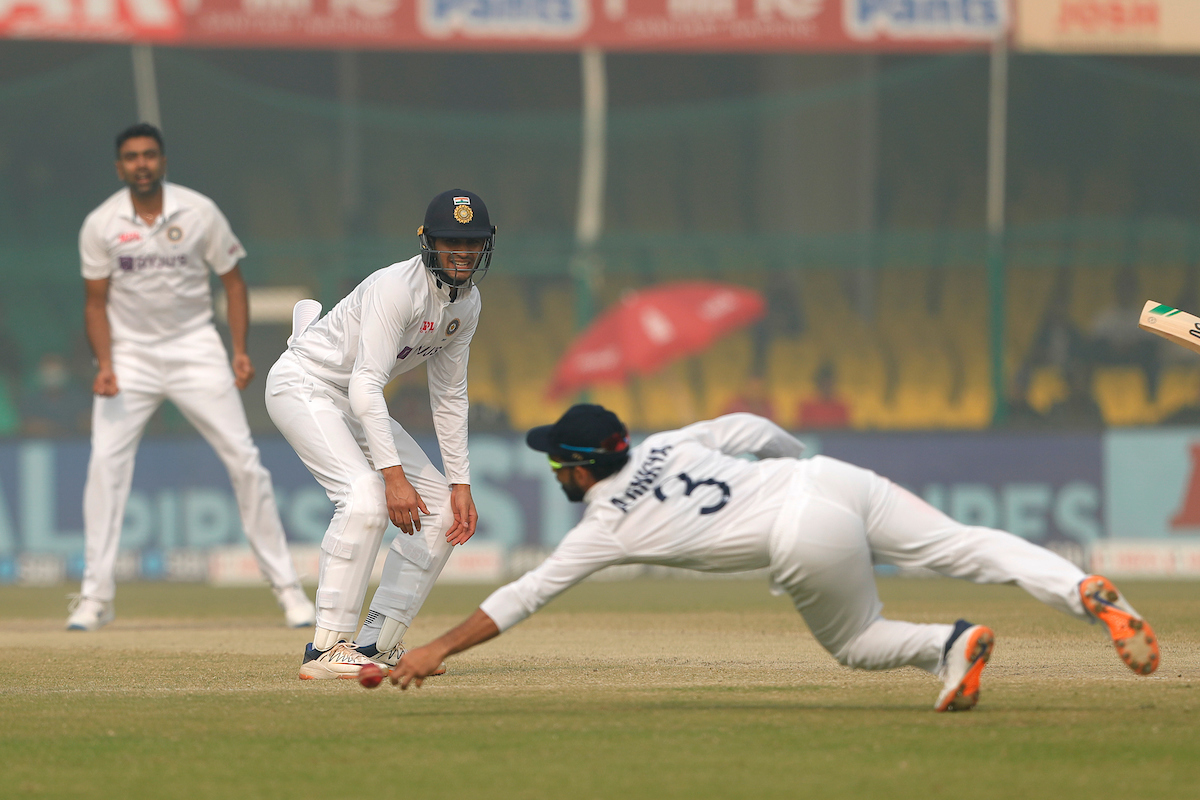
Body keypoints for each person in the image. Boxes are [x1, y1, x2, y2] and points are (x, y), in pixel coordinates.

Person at [390, 405, 1160, 711]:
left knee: (858, 644)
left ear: (585, 466)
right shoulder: (666, 442)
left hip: (799, 536)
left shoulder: (606, 525)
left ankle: (947, 645)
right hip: (828, 480)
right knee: (967, 546)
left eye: (561, 462)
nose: (556, 473)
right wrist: (802, 469)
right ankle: (1080, 590)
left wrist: (436, 647)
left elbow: (521, 596)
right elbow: (753, 426)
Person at [69, 123, 315, 631]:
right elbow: (95, 303)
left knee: (244, 460)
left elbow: (234, 282)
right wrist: (107, 364)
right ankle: (96, 597)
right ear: (120, 168)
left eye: (150, 155)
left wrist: (240, 350)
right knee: (105, 465)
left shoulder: (199, 211)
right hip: (131, 354)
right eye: (132, 157)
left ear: (162, 161)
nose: (142, 163)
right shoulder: (100, 224)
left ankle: (289, 591)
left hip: (195, 347)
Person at [265, 189, 492, 679]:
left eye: (472, 243)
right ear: (428, 243)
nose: (463, 253)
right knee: (365, 498)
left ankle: (375, 643)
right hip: (305, 384)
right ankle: (325, 649)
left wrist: (460, 483)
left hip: (353, 399)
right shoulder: (397, 287)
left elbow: (449, 397)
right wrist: (392, 476)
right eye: (451, 242)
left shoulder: (467, 305)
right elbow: (367, 382)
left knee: (439, 514)